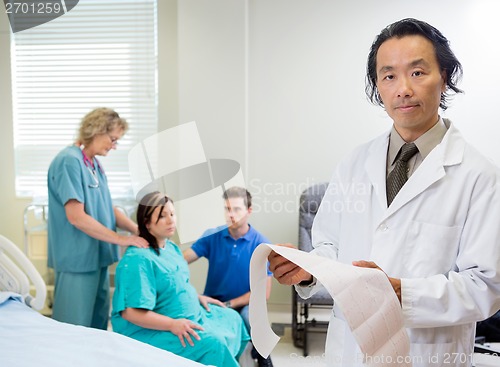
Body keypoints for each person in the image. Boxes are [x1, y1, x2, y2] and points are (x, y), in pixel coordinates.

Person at [268, 18, 500, 367]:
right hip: (351, 350)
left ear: (446, 77)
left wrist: (404, 294)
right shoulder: (354, 163)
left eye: (418, 73)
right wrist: (309, 271)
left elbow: (485, 286)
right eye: (389, 76)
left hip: (428, 354)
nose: (402, 89)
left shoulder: (479, 176)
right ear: (378, 86)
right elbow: (330, 246)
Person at [111, 192, 249, 367]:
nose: (171, 220)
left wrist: (197, 297)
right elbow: (130, 312)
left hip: (188, 314)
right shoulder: (138, 260)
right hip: (151, 328)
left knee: (232, 318)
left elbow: (176, 283)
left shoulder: (170, 248)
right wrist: (172, 325)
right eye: (162, 216)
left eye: (172, 214)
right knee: (214, 344)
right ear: (147, 223)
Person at [47, 107, 148, 329]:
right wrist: (121, 239)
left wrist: (135, 229)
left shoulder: (93, 164)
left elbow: (105, 206)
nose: (114, 146)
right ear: (96, 131)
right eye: (112, 139)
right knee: (73, 328)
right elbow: (76, 217)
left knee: (98, 326)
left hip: (97, 259)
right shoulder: (69, 161)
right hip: (77, 260)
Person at [183, 186, 274, 367]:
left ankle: (265, 359)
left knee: (251, 319)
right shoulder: (212, 235)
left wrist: (229, 305)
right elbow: (182, 260)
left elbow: (263, 293)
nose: (231, 214)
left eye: (237, 209)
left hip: (245, 304)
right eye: (227, 209)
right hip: (212, 300)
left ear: (249, 211)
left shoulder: (262, 244)